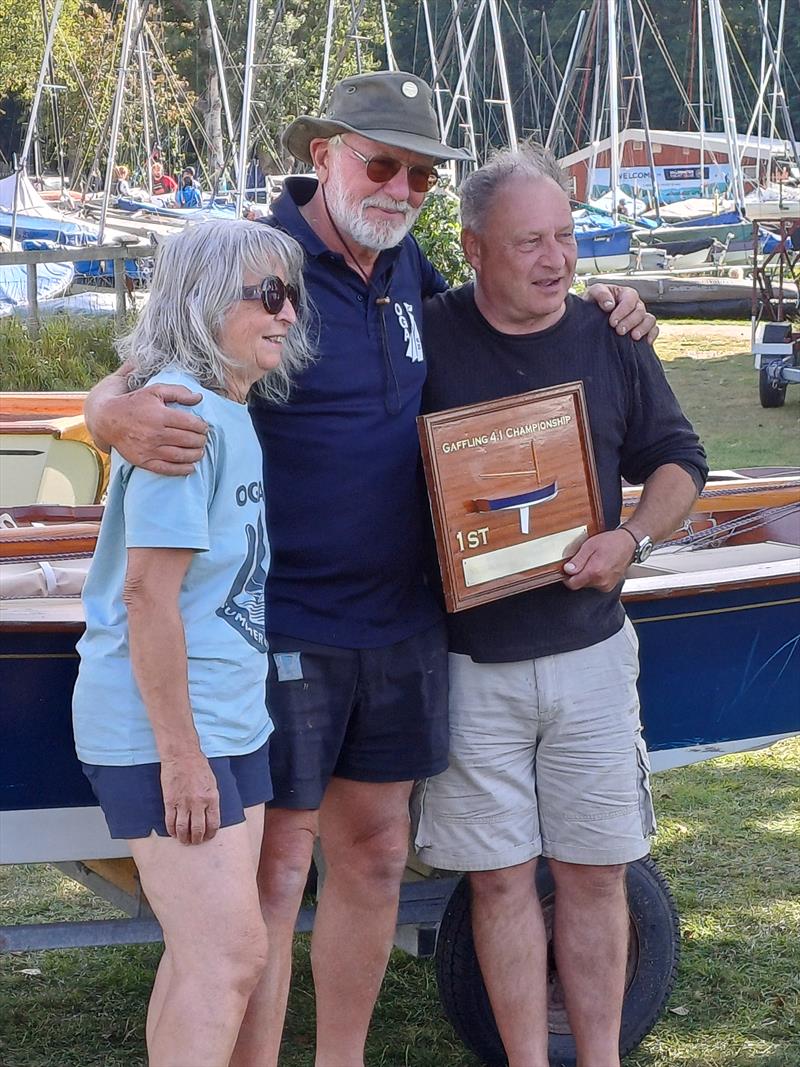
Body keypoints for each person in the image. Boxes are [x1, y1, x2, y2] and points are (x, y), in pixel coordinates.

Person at [83, 72, 657, 1067]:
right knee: (275, 874)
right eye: (378, 162)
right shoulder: (261, 260)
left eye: (420, 174)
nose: (398, 186)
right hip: (285, 622)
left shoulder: (405, 269)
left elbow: (497, 310)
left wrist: (601, 296)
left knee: (376, 853)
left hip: (402, 619)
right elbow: (153, 359)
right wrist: (104, 413)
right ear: (324, 156)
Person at [414, 144, 708, 1067]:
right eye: (530, 241)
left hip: (590, 655)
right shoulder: (422, 341)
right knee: (499, 884)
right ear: (472, 248)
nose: (557, 259)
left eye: (568, 236)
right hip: (469, 665)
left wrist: (632, 542)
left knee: (595, 873)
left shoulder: (610, 334)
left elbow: (678, 459)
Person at [72, 219, 312, 1066]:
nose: (287, 314)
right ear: (208, 303)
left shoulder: (226, 410)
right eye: (268, 295)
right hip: (168, 732)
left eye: (292, 294)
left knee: (204, 954)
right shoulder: (181, 417)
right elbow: (146, 596)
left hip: (227, 721)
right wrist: (181, 757)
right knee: (229, 955)